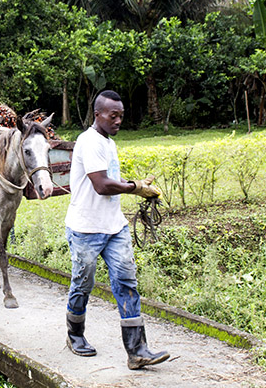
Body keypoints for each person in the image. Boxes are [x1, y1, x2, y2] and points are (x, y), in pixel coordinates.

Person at [64, 90, 170, 370]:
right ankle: (74, 335)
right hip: (85, 228)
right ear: (97, 114)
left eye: (121, 116)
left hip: (114, 226)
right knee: (83, 284)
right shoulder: (89, 142)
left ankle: (137, 351)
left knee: (126, 283)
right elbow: (101, 185)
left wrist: (136, 184)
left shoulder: (108, 143)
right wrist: (135, 188)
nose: (118, 120)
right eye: (114, 116)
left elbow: (111, 179)